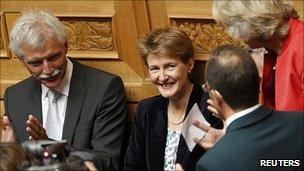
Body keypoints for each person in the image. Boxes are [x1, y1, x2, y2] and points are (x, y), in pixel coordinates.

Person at [0, 10, 128, 171]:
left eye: (54, 57)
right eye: (36, 63)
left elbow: (107, 161)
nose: (47, 70)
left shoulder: (104, 88)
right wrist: (9, 149)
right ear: (21, 60)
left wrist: (50, 146)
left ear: (66, 46)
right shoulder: (15, 96)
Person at [124, 28, 222, 171]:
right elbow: (132, 166)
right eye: (154, 69)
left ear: (189, 64)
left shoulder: (209, 107)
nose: (162, 77)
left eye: (170, 66)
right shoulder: (147, 110)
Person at [195, 45, 303, 171]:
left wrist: (227, 146)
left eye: (206, 87)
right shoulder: (300, 122)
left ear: (216, 97)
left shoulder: (211, 163)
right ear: (258, 82)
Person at [212, 0, 304, 111]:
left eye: (232, 25)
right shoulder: (273, 51)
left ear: (253, 24)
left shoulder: (300, 47)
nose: (236, 36)